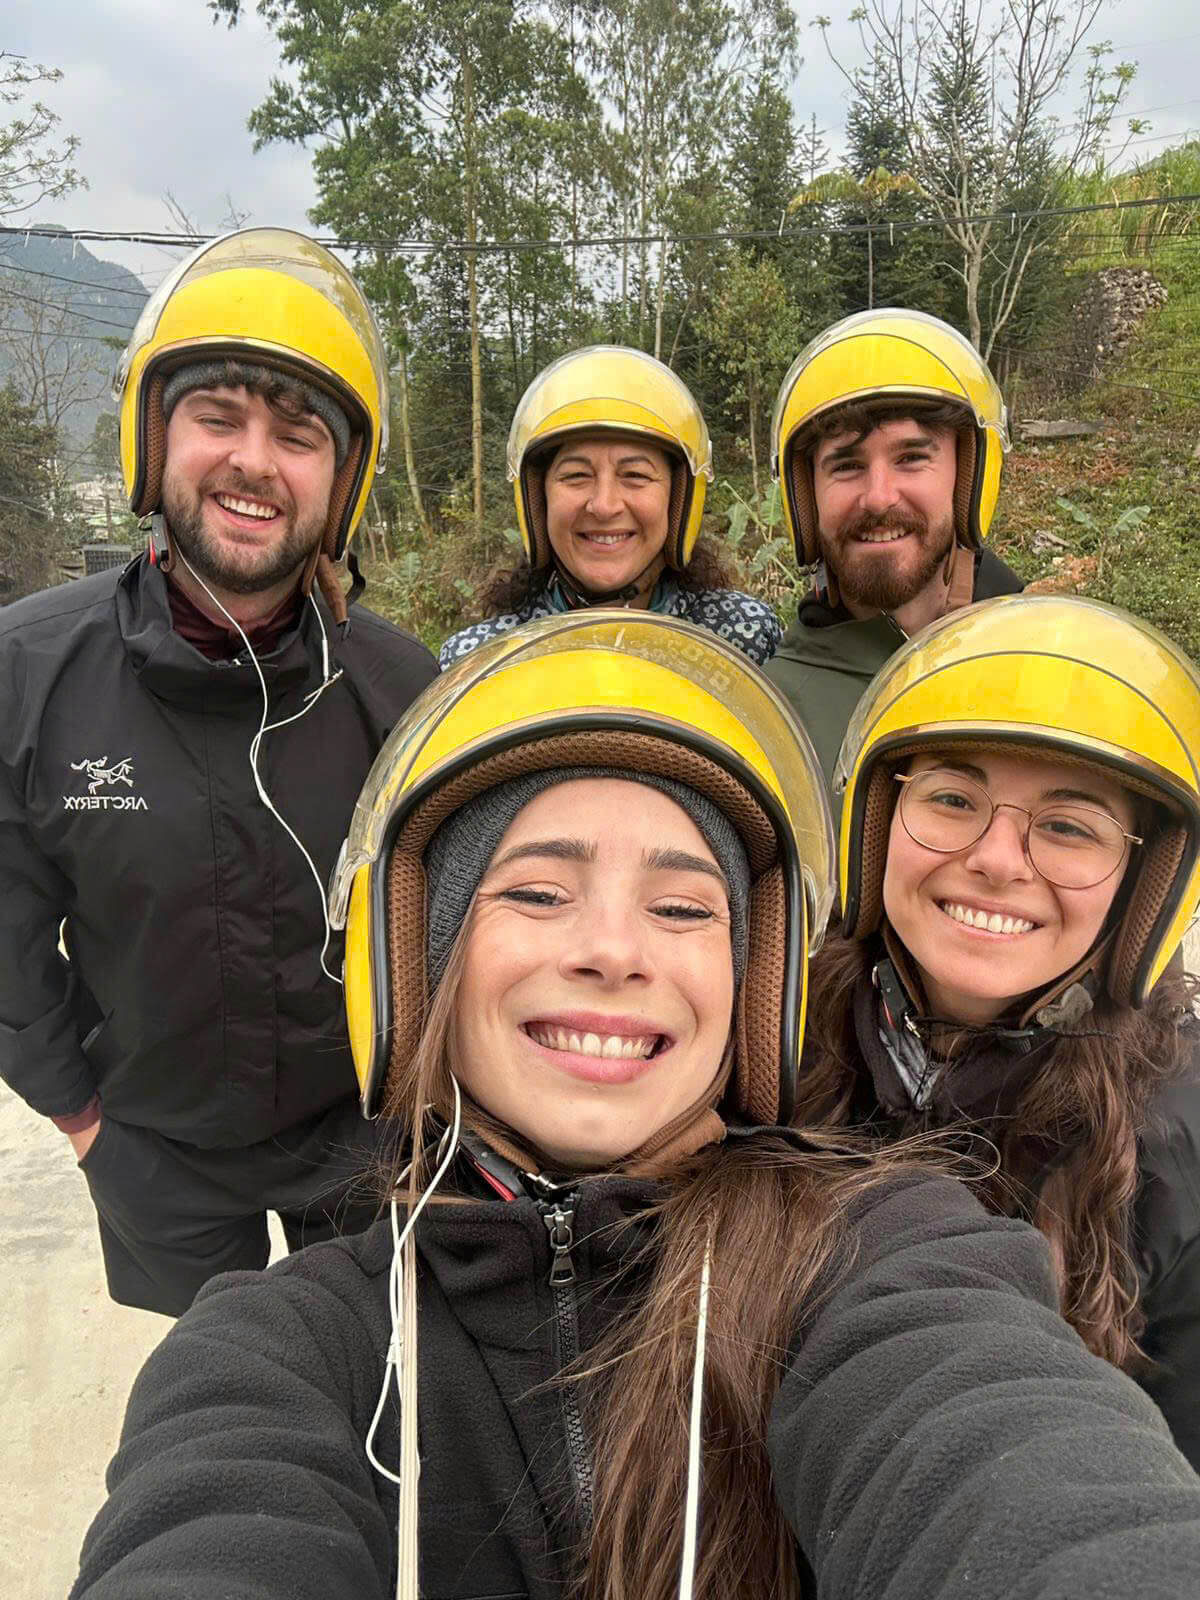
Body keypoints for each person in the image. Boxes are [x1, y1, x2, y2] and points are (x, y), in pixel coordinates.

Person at [73, 613, 1200, 1600]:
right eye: (537, 891)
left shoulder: (877, 1251)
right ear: (421, 965)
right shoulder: (289, 1345)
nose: (613, 950)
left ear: (754, 990)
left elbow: (1016, 1464)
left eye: (680, 904)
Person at [0, 227, 438, 1317]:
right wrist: (80, 1116)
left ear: (342, 482)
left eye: (298, 434)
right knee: (214, 1414)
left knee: (377, 1400)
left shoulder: (399, 686)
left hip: (361, 1142)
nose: (254, 458)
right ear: (154, 441)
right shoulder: (29, 670)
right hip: (159, 1149)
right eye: (217, 416)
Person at [798, 593, 1200, 1469]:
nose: (994, 859)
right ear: (874, 828)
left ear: (1146, 889)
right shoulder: (777, 1040)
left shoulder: (1176, 1147)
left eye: (1067, 826)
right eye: (950, 797)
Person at [765, 308, 1023, 787]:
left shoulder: (1053, 668)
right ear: (805, 497)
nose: (879, 496)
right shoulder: (767, 719)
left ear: (967, 479)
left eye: (911, 458)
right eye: (845, 465)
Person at [439, 345, 782, 667]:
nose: (604, 506)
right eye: (576, 475)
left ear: (678, 499)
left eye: (635, 475)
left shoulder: (743, 639)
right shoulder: (479, 661)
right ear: (538, 499)